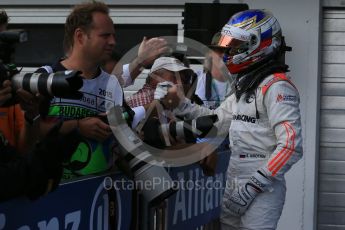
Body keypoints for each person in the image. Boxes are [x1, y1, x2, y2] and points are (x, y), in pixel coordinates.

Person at [155, 9, 302, 230]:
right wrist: (182, 103)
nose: (228, 52)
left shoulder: (277, 86)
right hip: (234, 174)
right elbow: (216, 121)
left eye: (235, 45)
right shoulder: (246, 85)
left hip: (262, 184)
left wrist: (254, 184)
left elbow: (291, 145)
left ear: (257, 44)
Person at [36, 1, 166, 180]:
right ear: (80, 36)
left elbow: (124, 139)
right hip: (53, 196)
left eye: (113, 35)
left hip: (98, 196)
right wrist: (78, 126)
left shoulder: (112, 84)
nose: (113, 42)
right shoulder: (45, 76)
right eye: (105, 36)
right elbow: (30, 131)